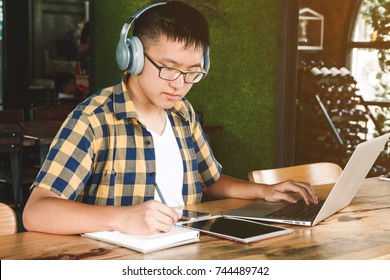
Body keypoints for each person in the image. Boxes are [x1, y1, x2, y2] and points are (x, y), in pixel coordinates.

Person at [23, 1, 317, 236]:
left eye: (192, 72)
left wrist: (264, 192)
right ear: (133, 56)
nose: (179, 83)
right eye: (169, 67)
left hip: (186, 251)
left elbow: (210, 180)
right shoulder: (94, 119)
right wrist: (121, 218)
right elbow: (36, 212)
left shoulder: (182, 112)